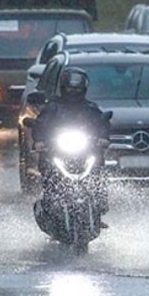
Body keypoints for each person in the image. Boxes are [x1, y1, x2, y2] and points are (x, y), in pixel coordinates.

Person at [32, 67, 111, 218]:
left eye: (77, 88)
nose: (73, 91)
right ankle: (50, 208)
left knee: (97, 172)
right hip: (56, 152)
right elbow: (40, 124)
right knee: (50, 173)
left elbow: (102, 123)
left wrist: (103, 138)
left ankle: (97, 207)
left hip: (85, 152)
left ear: (84, 88)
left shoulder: (91, 108)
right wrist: (40, 141)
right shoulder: (53, 107)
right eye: (70, 88)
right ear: (63, 87)